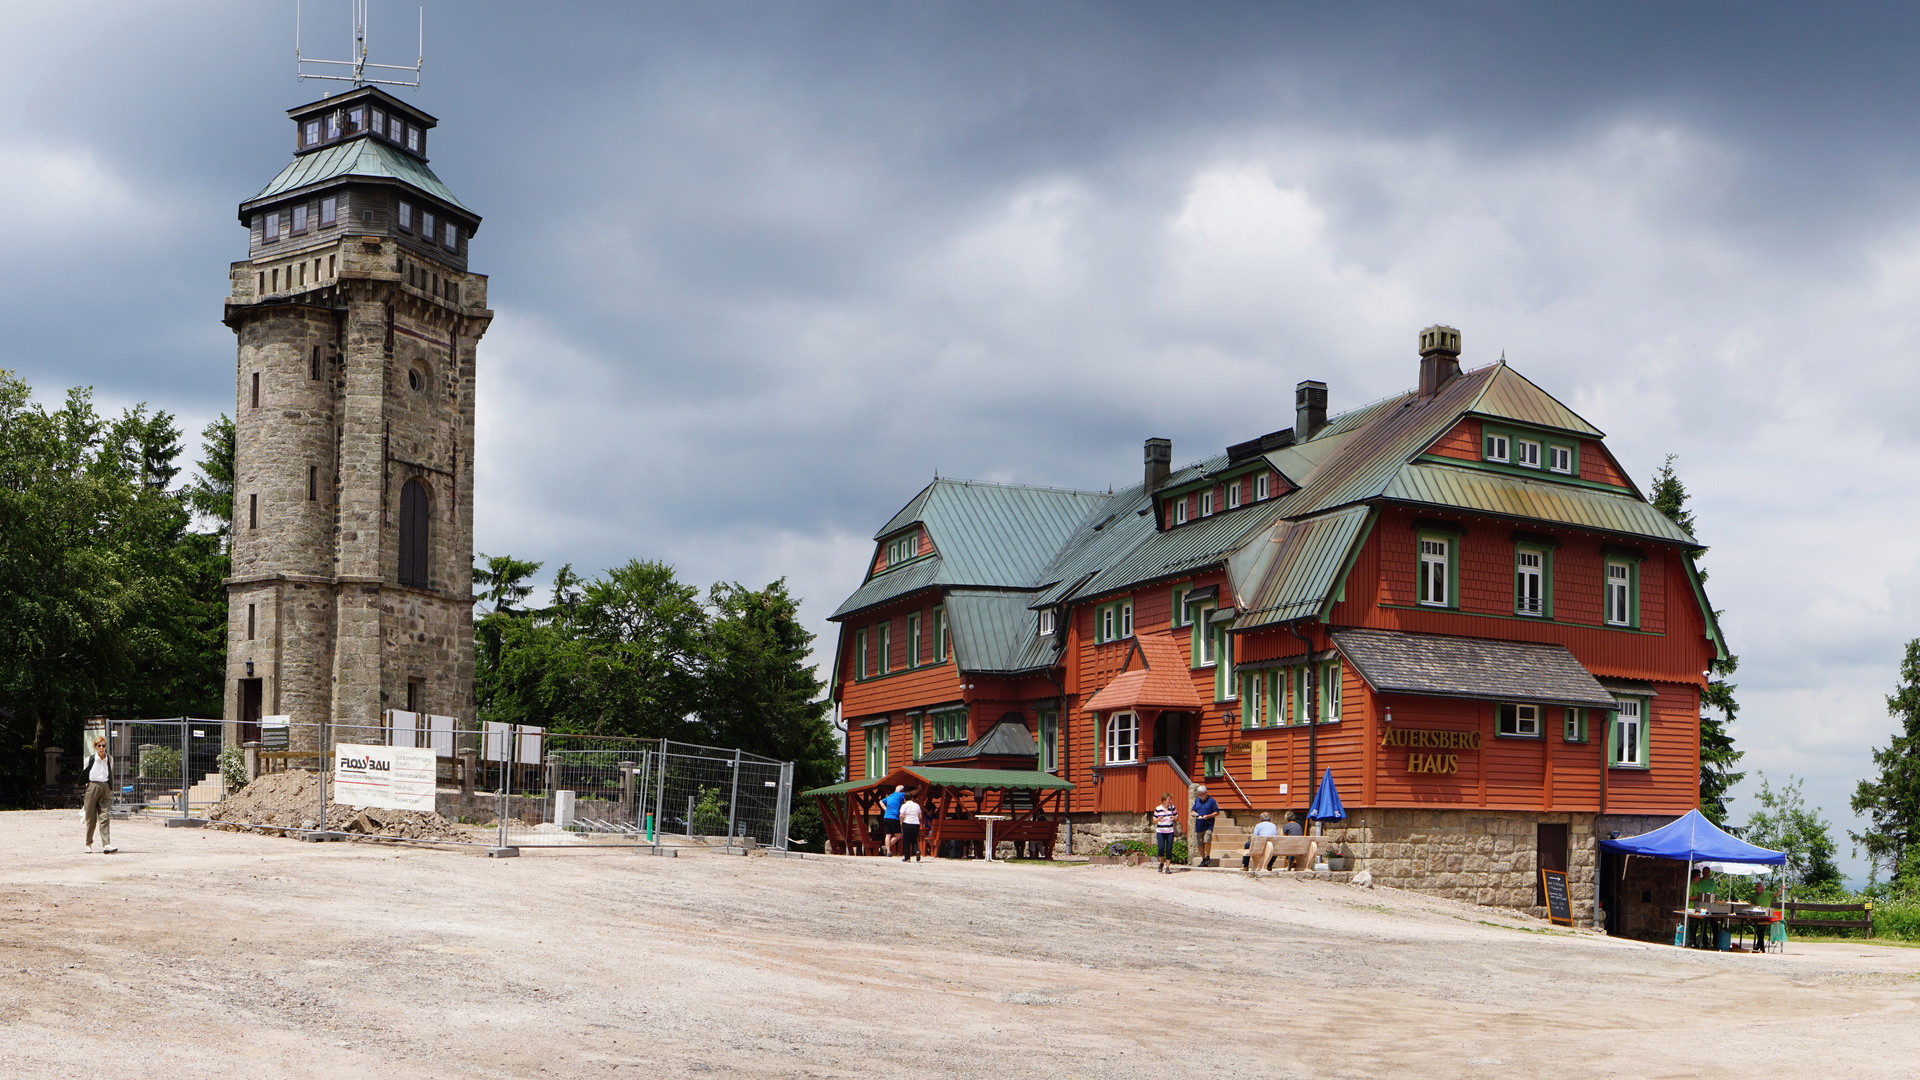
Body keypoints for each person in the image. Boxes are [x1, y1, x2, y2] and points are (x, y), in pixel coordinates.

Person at [81, 736, 118, 854]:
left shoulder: (109, 759)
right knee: (91, 818)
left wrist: (109, 788)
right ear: (95, 747)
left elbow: (110, 772)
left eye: (103, 745)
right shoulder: (89, 759)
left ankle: (106, 844)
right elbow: (85, 774)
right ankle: (88, 844)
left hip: (105, 787)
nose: (101, 748)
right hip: (92, 787)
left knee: (105, 816)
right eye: (99, 746)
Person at [1190, 785, 1220, 865]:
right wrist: (1193, 814)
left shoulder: (1211, 801)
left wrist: (1209, 816)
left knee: (1207, 840)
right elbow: (1193, 810)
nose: (1201, 796)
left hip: (1208, 824)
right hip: (1199, 824)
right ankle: (1203, 859)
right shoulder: (1197, 801)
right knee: (1199, 843)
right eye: (1199, 794)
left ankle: (1208, 856)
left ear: (1206, 793)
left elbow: (1217, 812)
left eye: (1202, 794)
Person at [1151, 793, 1181, 874]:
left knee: (1169, 849)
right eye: (1169, 799)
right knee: (1161, 848)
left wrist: (1174, 818)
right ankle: (1161, 863)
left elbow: (1176, 818)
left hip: (1170, 831)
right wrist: (1158, 819)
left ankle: (1167, 867)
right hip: (1160, 831)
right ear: (1164, 800)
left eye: (1171, 799)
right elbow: (1154, 820)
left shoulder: (1172, 808)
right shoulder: (1158, 808)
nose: (1170, 801)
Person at [879, 785, 907, 856]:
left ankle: (888, 850)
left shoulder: (890, 796)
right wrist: (918, 789)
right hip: (894, 818)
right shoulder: (900, 795)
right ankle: (886, 846)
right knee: (898, 835)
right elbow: (911, 794)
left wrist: (885, 809)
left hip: (886, 817)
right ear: (901, 791)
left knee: (888, 834)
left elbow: (881, 802)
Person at [899, 791, 923, 862]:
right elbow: (920, 816)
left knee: (906, 841)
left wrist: (901, 822)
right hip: (916, 824)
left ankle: (907, 858)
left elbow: (901, 815)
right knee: (914, 840)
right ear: (912, 798)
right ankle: (917, 851)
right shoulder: (917, 805)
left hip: (907, 823)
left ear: (905, 799)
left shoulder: (904, 806)